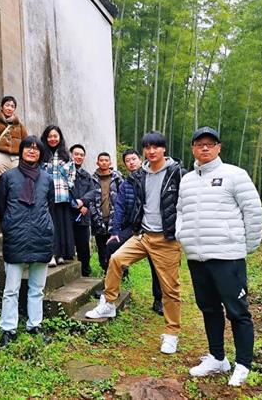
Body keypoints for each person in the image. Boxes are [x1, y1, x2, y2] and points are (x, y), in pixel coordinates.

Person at [176, 126, 262, 386]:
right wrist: (182, 236)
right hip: (197, 257)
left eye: (210, 143)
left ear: (218, 147)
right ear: (193, 148)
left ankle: (243, 363)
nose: (205, 147)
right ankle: (217, 357)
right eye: (199, 143)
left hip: (228, 257)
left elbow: (253, 211)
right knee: (209, 308)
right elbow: (180, 211)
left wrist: (246, 246)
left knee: (237, 311)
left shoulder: (235, 175)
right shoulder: (186, 180)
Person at [86, 131, 186, 356]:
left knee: (170, 289)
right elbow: (127, 203)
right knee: (116, 259)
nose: (151, 151)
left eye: (156, 147)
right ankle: (108, 303)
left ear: (164, 149)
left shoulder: (177, 173)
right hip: (143, 235)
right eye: (147, 147)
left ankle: (171, 333)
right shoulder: (139, 175)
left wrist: (182, 230)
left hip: (167, 239)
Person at [0, 136, 55, 347]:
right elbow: (1, 206)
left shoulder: (47, 179)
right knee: (11, 289)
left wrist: (46, 227)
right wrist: (10, 225)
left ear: (40, 154)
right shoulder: (8, 177)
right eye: (28, 147)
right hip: (16, 236)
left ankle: (35, 325)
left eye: (36, 148)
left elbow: (50, 206)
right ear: (21, 151)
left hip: (41, 236)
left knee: (37, 288)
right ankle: (8, 329)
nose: (32, 151)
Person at [108, 149, 164, 315]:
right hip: (133, 228)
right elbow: (119, 207)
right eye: (127, 160)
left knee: (156, 265)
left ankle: (158, 300)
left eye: (133, 159)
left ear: (140, 160)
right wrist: (115, 231)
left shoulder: (151, 178)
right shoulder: (125, 184)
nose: (131, 162)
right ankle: (114, 286)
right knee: (112, 246)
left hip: (152, 229)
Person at [41, 125, 76, 267]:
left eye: (55, 136)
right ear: (45, 138)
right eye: (50, 136)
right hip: (47, 196)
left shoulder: (66, 155)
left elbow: (72, 173)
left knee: (62, 226)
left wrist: (69, 186)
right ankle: (51, 255)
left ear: (60, 137)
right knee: (50, 226)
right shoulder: (42, 154)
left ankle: (61, 254)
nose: (52, 139)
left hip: (63, 195)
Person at [89, 152, 123, 273]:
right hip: (98, 219)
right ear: (97, 163)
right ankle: (106, 272)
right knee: (102, 249)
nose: (104, 162)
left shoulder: (117, 178)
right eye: (101, 160)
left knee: (117, 248)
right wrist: (94, 216)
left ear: (110, 162)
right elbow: (90, 199)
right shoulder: (92, 179)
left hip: (114, 219)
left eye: (106, 160)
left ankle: (122, 274)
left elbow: (122, 197)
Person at [0, 95, 28, 187]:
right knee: (1, 185)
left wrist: (24, 159)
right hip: (0, 157)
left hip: (16, 158)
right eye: (7, 105)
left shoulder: (20, 125)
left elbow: (26, 142)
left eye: (12, 106)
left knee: (17, 186)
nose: (9, 108)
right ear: (2, 107)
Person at [69, 144, 95, 277]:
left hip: (83, 216)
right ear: (71, 155)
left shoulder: (87, 176)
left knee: (83, 247)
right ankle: (70, 275)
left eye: (81, 155)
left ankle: (85, 273)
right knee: (68, 246)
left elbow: (93, 192)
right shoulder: (64, 173)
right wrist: (74, 203)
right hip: (68, 215)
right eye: (76, 154)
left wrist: (84, 202)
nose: (79, 157)